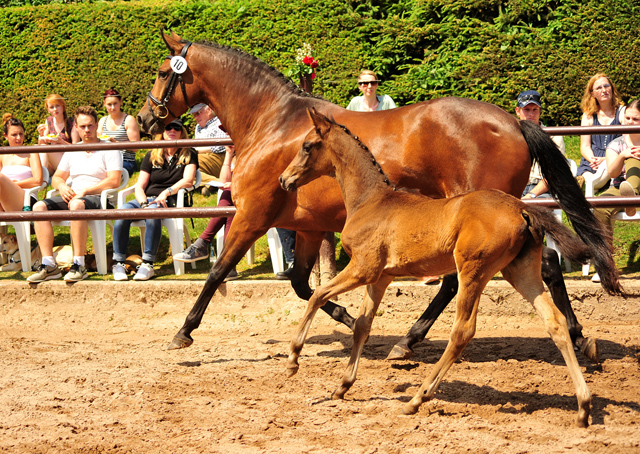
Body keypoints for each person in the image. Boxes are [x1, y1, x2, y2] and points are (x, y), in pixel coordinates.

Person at [27, 106, 123, 283]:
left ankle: (79, 264)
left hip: (99, 197)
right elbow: (56, 177)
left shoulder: (110, 149)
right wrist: (62, 186)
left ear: (96, 126)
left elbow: (114, 181)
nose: (87, 130)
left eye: (90, 126)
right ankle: (49, 265)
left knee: (77, 204)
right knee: (39, 206)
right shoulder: (74, 150)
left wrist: (85, 191)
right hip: (74, 197)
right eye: (83, 126)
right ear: (76, 128)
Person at [111, 119, 198, 281]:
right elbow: (139, 186)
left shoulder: (189, 153)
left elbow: (188, 180)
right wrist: (143, 203)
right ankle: (118, 262)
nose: (172, 130)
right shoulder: (152, 154)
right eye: (168, 127)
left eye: (176, 128)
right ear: (162, 132)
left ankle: (147, 264)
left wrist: (166, 192)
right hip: (148, 199)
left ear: (181, 132)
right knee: (122, 212)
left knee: (153, 211)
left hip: (171, 199)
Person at [173, 144, 240, 281]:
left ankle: (203, 245)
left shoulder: (256, 150)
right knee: (228, 196)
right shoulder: (238, 154)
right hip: (238, 199)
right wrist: (229, 153)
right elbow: (224, 181)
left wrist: (234, 185)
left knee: (228, 196)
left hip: (257, 199)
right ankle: (228, 264)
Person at [591, 100, 640, 283]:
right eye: (627, 117)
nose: (629, 121)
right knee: (600, 206)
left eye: (635, 119)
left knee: (635, 159)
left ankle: (632, 196)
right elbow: (612, 173)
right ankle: (606, 266)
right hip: (621, 188)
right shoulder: (617, 143)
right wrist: (622, 155)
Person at [515, 90, 566, 199]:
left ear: (540, 111)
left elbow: (554, 174)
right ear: (517, 111)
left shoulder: (553, 136)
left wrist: (531, 195)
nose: (531, 114)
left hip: (543, 190)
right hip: (516, 187)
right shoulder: (511, 135)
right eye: (526, 110)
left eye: (535, 110)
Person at [577, 73, 626, 180]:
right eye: (598, 88)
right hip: (592, 161)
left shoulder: (622, 112)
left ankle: (592, 186)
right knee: (588, 176)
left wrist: (604, 160)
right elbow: (585, 146)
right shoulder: (588, 115)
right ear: (592, 94)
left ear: (612, 89)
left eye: (606, 86)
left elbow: (628, 143)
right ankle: (588, 184)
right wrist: (593, 160)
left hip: (615, 159)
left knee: (605, 172)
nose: (604, 90)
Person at [1, 114, 43, 212]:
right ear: (5, 136)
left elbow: (38, 180)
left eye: (21, 134)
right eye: (14, 135)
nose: (19, 138)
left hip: (26, 199)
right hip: (4, 199)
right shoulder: (2, 155)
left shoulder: (31, 153)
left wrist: (15, 184)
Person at [97, 88, 141, 178]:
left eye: (115, 103)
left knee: (105, 174)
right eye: (109, 104)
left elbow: (136, 147)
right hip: (105, 159)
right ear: (104, 104)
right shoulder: (102, 121)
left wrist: (116, 144)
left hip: (125, 160)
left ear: (120, 102)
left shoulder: (129, 120)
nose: (113, 108)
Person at [189, 103, 229, 196]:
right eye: (194, 115)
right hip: (203, 158)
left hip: (219, 157)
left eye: (198, 113)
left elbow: (221, 147)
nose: (196, 117)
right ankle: (213, 184)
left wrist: (196, 151)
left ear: (209, 110)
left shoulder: (220, 122)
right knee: (186, 166)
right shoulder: (198, 127)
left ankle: (220, 184)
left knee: (190, 165)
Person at [36, 94, 81, 175]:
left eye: (57, 106)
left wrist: (61, 142)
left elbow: (76, 147)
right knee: (37, 148)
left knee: (44, 149)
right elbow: (42, 144)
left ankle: (41, 178)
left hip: (68, 160)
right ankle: (41, 176)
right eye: (51, 107)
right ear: (48, 110)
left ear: (63, 107)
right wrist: (41, 135)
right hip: (53, 161)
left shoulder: (72, 122)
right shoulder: (49, 120)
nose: (55, 109)